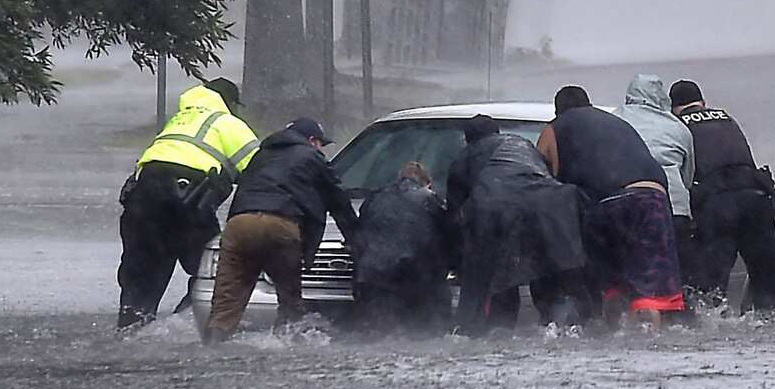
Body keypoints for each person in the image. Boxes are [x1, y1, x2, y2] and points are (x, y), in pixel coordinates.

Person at [537, 86, 685, 332]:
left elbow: (541, 179)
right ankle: (651, 347)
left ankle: (614, 341)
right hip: (653, 198)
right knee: (649, 292)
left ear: (557, 110)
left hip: (607, 203)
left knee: (612, 285)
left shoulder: (555, 128)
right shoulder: (616, 121)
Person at [118, 77, 259, 330]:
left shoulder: (179, 120)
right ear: (230, 102)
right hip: (188, 200)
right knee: (218, 269)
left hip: (142, 199)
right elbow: (261, 170)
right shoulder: (228, 123)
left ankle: (132, 329)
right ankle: (181, 326)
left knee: (142, 273)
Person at [205, 118, 358, 341]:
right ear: (312, 140)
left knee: (225, 303)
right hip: (280, 225)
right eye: (321, 144)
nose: (321, 149)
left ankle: (212, 346)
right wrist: (356, 239)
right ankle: (286, 348)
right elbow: (338, 201)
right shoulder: (311, 157)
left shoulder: (261, 156)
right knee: (289, 301)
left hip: (239, 224)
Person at [448, 115, 588, 335]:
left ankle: (492, 333)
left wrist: (455, 264)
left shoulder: (464, 158)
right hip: (551, 209)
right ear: (497, 132)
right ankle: (561, 327)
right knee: (549, 277)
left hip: (498, 211)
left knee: (498, 281)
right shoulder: (523, 145)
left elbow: (456, 221)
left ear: (468, 140)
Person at [669, 80, 775, 312]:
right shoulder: (726, 118)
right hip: (756, 198)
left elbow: (681, 177)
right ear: (703, 103)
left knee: (710, 282)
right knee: (768, 268)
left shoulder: (678, 126)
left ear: (673, 108)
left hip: (719, 206)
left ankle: (713, 320)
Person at [614, 74, 698, 292]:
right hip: (675, 210)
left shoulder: (615, 120)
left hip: (629, 207)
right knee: (679, 281)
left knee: (633, 280)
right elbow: (687, 178)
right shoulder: (678, 127)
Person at [351, 162, 452, 336]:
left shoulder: (375, 198)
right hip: (412, 274)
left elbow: (360, 232)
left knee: (378, 333)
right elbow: (446, 236)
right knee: (426, 331)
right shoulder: (429, 199)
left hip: (372, 274)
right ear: (426, 183)